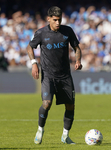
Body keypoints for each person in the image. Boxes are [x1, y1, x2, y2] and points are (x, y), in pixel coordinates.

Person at [26, 6, 82, 144]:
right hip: (48, 75)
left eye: (60, 20)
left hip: (65, 76)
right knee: (47, 103)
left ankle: (65, 136)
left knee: (70, 106)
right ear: (49, 19)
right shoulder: (41, 33)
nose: (58, 23)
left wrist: (78, 60)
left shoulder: (67, 31)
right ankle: (40, 129)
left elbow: (77, 48)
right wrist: (34, 63)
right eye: (55, 20)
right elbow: (29, 47)